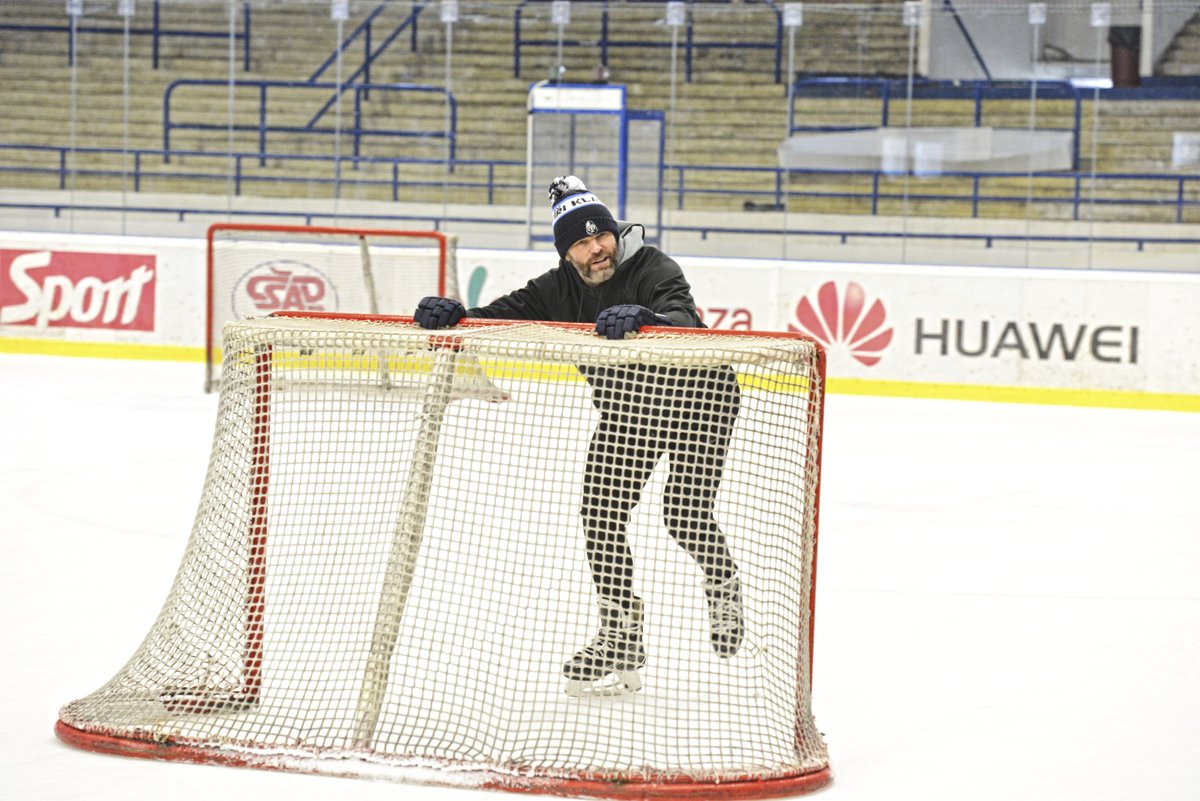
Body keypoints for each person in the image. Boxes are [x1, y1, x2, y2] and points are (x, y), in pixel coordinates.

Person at [414, 176, 743, 695]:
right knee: (600, 514)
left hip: (699, 401)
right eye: (583, 243)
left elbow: (685, 319)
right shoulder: (556, 289)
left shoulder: (655, 267)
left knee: (682, 513)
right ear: (567, 252)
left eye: (603, 237)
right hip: (628, 413)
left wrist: (648, 319)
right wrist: (454, 316)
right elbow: (498, 316)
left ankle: (723, 585)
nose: (597, 250)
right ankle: (621, 634)